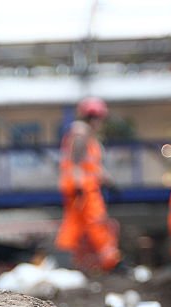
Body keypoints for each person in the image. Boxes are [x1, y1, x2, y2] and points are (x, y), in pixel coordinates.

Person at [54, 96, 122, 272]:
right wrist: (78, 185)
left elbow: (91, 166)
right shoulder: (81, 133)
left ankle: (63, 261)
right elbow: (76, 163)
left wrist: (109, 181)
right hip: (83, 187)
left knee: (74, 223)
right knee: (97, 221)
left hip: (80, 186)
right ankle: (111, 261)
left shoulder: (86, 136)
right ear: (94, 117)